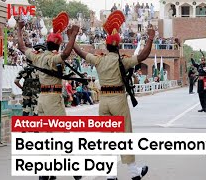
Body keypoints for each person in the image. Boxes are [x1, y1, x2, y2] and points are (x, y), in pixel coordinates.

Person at [72, 10, 155, 180]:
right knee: (125, 135)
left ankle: (110, 175)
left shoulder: (98, 59)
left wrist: (73, 37)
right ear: (117, 46)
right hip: (118, 100)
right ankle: (134, 172)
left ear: (106, 46)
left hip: (104, 102)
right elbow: (143, 55)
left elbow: (80, 53)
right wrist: (151, 38)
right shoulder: (122, 60)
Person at [17, 18, 82, 180]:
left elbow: (22, 46)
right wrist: (73, 36)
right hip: (53, 98)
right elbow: (66, 54)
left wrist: (19, 29)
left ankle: (45, 171)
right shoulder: (53, 58)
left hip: (42, 99)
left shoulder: (37, 56)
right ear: (58, 45)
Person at [14, 45, 42, 116]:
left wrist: (22, 88)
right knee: (36, 110)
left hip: (26, 91)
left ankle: (25, 125)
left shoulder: (23, 69)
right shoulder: (38, 69)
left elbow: (16, 81)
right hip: (36, 92)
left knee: (26, 110)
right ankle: (34, 125)